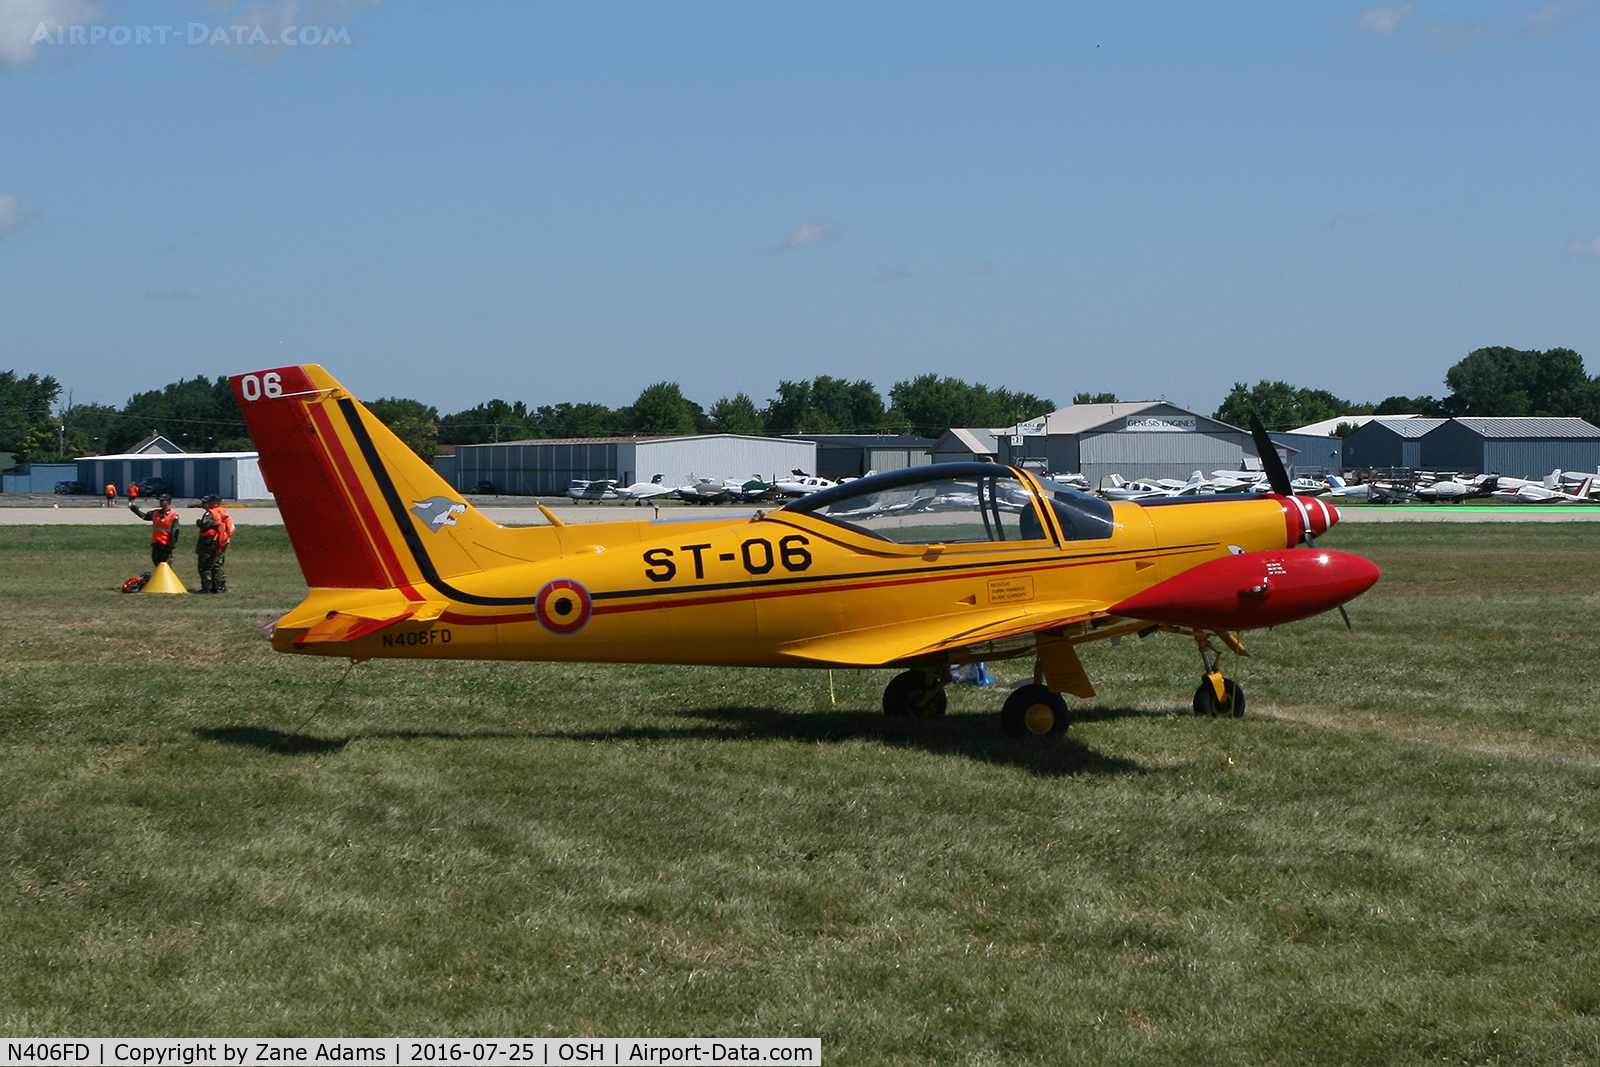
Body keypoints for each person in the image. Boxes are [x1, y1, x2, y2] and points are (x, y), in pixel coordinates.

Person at [194, 493, 234, 593]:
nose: (204, 504)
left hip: (209, 541)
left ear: (213, 502)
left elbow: (204, 525)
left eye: (206, 502)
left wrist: (198, 522)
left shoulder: (210, 513)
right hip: (221, 541)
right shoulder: (223, 512)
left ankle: (207, 587)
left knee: (205, 565)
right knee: (217, 564)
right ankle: (220, 586)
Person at [129, 493, 179, 567]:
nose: (160, 502)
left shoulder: (173, 515)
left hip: (166, 545)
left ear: (168, 502)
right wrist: (134, 509)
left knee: (165, 566)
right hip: (156, 543)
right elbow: (145, 516)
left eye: (162, 501)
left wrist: (172, 545)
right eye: (160, 501)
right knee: (157, 564)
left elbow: (175, 531)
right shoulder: (155, 513)